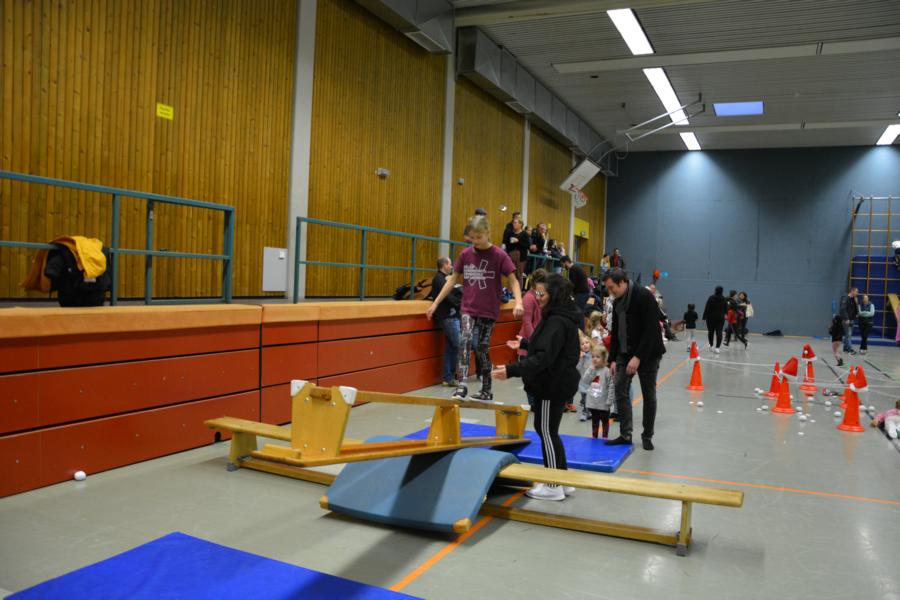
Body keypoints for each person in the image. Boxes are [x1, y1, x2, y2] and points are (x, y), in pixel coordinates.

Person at [493, 273, 581, 501]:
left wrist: (511, 370)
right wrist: (524, 343)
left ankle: (553, 485)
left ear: (554, 295)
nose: (538, 297)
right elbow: (549, 347)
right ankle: (561, 479)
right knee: (549, 430)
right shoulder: (560, 317)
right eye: (537, 293)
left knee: (546, 431)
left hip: (552, 385)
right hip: (557, 381)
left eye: (542, 294)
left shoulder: (557, 321)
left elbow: (543, 358)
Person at [427, 215, 523, 401]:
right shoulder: (465, 255)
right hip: (468, 308)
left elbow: (513, 280)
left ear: (488, 233)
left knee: (482, 348)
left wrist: (518, 301)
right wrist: (435, 303)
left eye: (479, 237)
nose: (476, 241)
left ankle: (486, 389)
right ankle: (462, 385)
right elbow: (452, 280)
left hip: (488, 311)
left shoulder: (499, 255)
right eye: (472, 238)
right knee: (464, 341)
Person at [603, 268, 666, 450]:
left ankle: (647, 435)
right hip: (625, 351)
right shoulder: (617, 300)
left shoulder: (644, 297)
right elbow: (616, 331)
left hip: (648, 353)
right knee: (620, 388)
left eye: (612, 287)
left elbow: (651, 330)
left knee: (649, 394)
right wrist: (612, 359)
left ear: (622, 282)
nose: (610, 292)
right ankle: (625, 434)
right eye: (608, 288)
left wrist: (638, 357)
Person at [427, 257, 462, 387]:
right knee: (459, 345)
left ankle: (448, 377)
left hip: (449, 316)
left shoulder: (441, 279)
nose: (451, 266)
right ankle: (452, 376)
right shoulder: (439, 279)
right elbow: (447, 297)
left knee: (451, 348)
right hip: (448, 317)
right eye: (450, 264)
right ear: (445, 265)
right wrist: (461, 304)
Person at [517, 269, 548, 407]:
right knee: (529, 378)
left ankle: (537, 403)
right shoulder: (529, 298)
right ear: (536, 283)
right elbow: (527, 322)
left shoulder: (542, 296)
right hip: (528, 343)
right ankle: (534, 404)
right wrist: (534, 342)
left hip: (539, 341)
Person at [580, 344, 615, 439]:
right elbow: (585, 380)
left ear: (604, 359)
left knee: (605, 422)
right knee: (594, 422)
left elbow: (611, 387)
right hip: (593, 403)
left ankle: (604, 437)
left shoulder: (607, 371)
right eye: (593, 357)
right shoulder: (591, 369)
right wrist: (590, 369)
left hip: (603, 403)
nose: (594, 359)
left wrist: (609, 401)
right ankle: (594, 438)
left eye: (598, 357)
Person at [502, 216, 530, 289]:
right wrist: (509, 242)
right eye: (513, 223)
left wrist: (518, 241)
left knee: (519, 275)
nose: (513, 224)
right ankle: (510, 291)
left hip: (521, 257)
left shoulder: (525, 234)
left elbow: (528, 246)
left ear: (520, 224)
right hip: (511, 255)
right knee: (511, 274)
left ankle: (518, 291)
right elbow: (507, 244)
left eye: (515, 223)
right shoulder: (510, 233)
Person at [702, 286, 727, 353]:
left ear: (715, 290)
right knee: (719, 332)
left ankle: (711, 346)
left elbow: (707, 307)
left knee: (711, 332)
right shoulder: (724, 298)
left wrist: (704, 317)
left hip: (710, 317)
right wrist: (724, 314)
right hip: (720, 318)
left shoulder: (711, 297)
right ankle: (717, 348)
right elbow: (726, 309)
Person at [576, 333, 593, 421]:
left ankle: (585, 412)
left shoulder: (593, 355)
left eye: (587, 343)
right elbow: (577, 368)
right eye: (582, 344)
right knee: (584, 398)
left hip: (592, 382)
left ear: (590, 344)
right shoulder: (580, 356)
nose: (585, 345)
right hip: (583, 382)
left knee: (588, 398)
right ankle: (588, 411)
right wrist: (580, 359)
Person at [839, 287, 859, 355]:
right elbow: (842, 309)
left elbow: (855, 309)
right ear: (852, 291)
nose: (857, 293)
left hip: (851, 319)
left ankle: (845, 349)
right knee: (848, 335)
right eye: (856, 292)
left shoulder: (853, 299)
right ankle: (850, 349)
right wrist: (846, 318)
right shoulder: (845, 298)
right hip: (846, 320)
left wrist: (856, 313)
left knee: (848, 335)